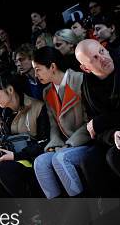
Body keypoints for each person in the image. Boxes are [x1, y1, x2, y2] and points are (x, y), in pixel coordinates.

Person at [75, 39, 120, 196]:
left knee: (115, 156)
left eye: (101, 51)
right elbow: (94, 129)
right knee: (89, 161)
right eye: (93, 58)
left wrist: (104, 121)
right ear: (85, 68)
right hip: (118, 135)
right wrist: (113, 134)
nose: (102, 58)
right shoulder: (87, 87)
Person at [31, 47, 90, 199]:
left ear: (52, 66)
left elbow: (89, 120)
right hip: (66, 145)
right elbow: (54, 126)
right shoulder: (47, 92)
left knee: (60, 159)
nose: (35, 75)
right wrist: (54, 145)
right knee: (40, 162)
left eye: (38, 69)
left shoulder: (80, 80)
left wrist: (69, 144)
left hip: (87, 140)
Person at [0, 74, 49, 197]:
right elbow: (6, 142)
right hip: (18, 159)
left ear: (10, 90)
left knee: (4, 169)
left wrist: (16, 155)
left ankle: (33, 211)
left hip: (33, 158)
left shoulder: (37, 107)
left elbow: (44, 141)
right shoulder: (5, 115)